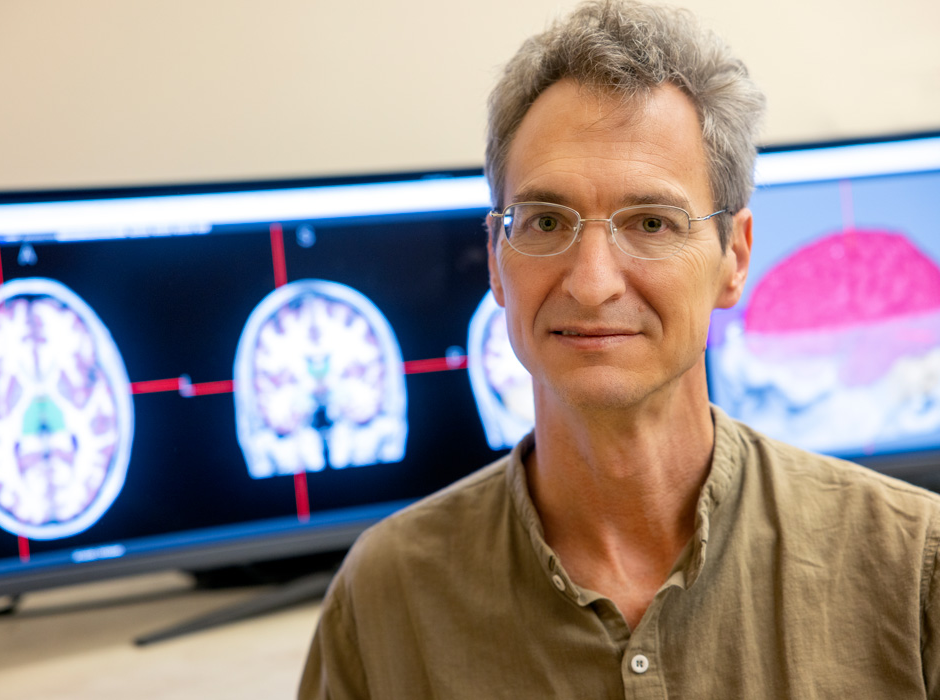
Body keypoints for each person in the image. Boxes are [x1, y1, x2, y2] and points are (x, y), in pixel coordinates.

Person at [299, 1, 940, 697]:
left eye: (652, 223)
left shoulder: (911, 569)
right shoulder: (385, 598)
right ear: (494, 260)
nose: (593, 283)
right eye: (545, 220)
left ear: (734, 257)